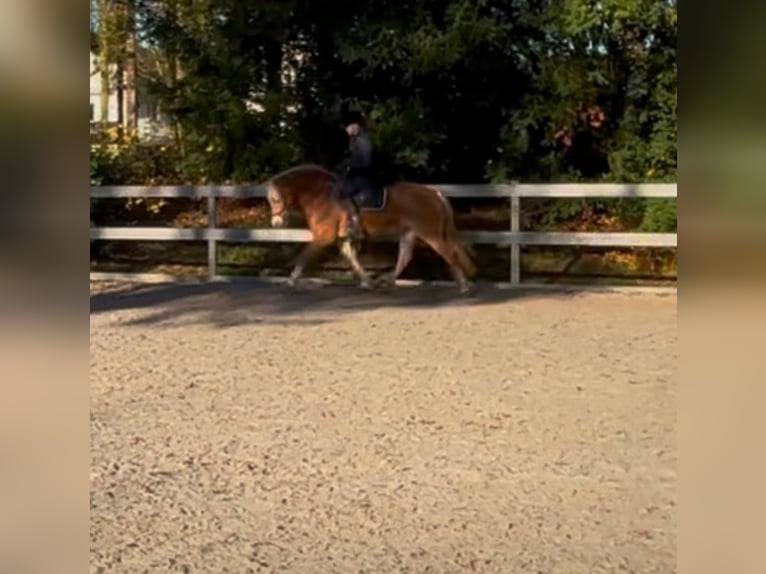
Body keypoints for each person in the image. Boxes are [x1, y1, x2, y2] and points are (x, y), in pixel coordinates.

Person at [332, 110, 374, 240]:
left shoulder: (362, 139)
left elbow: (365, 160)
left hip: (366, 174)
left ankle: (356, 224)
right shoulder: (354, 139)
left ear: (355, 125)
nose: (347, 129)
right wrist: (343, 165)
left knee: (344, 192)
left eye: (348, 126)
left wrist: (349, 166)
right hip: (358, 172)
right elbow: (353, 158)